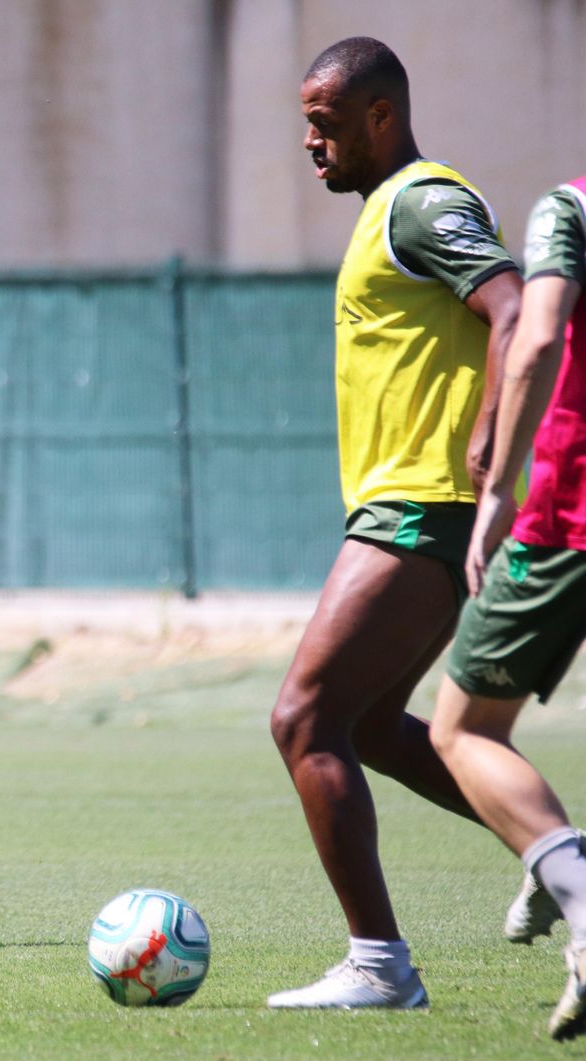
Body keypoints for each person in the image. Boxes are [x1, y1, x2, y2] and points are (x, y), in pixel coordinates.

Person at [268, 38, 523, 1009]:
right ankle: (557, 852)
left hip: (423, 506)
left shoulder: (422, 201)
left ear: (380, 115)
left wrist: (491, 443)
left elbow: (511, 307)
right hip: (405, 505)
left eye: (325, 124)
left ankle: (377, 962)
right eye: (305, 123)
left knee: (302, 715)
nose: (308, 141)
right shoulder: (388, 210)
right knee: (369, 722)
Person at [428, 174, 586, 1041]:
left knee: (464, 728)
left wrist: (495, 492)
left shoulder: (572, 206)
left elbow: (533, 335)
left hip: (573, 512)